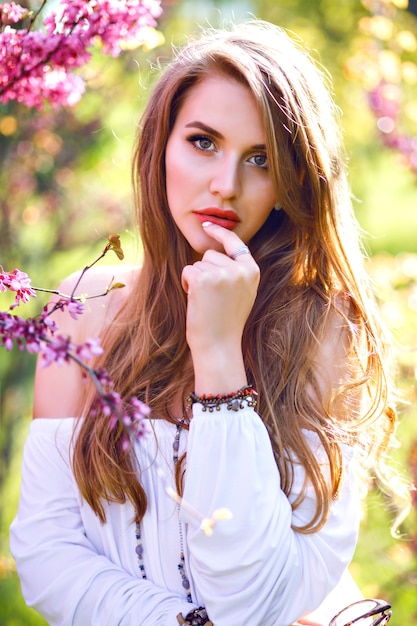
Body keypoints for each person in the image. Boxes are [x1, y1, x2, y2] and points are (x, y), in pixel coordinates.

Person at [10, 19, 406, 626]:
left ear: (291, 181)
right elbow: (45, 551)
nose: (226, 186)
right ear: (160, 146)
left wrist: (219, 355)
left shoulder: (322, 330)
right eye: (203, 142)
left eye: (261, 159)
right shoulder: (83, 312)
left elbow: (257, 603)